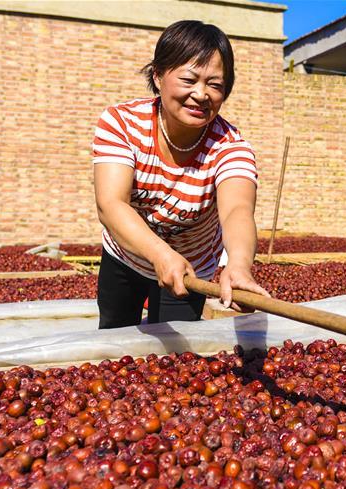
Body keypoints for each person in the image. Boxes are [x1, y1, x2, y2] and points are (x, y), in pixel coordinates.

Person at [92, 20, 269, 329]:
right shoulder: (122, 123)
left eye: (215, 85)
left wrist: (239, 265)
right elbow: (111, 204)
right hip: (126, 255)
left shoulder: (230, 146)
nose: (201, 94)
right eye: (189, 79)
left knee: (176, 349)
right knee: (115, 337)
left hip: (191, 266)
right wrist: (160, 254)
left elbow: (237, 210)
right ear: (158, 75)